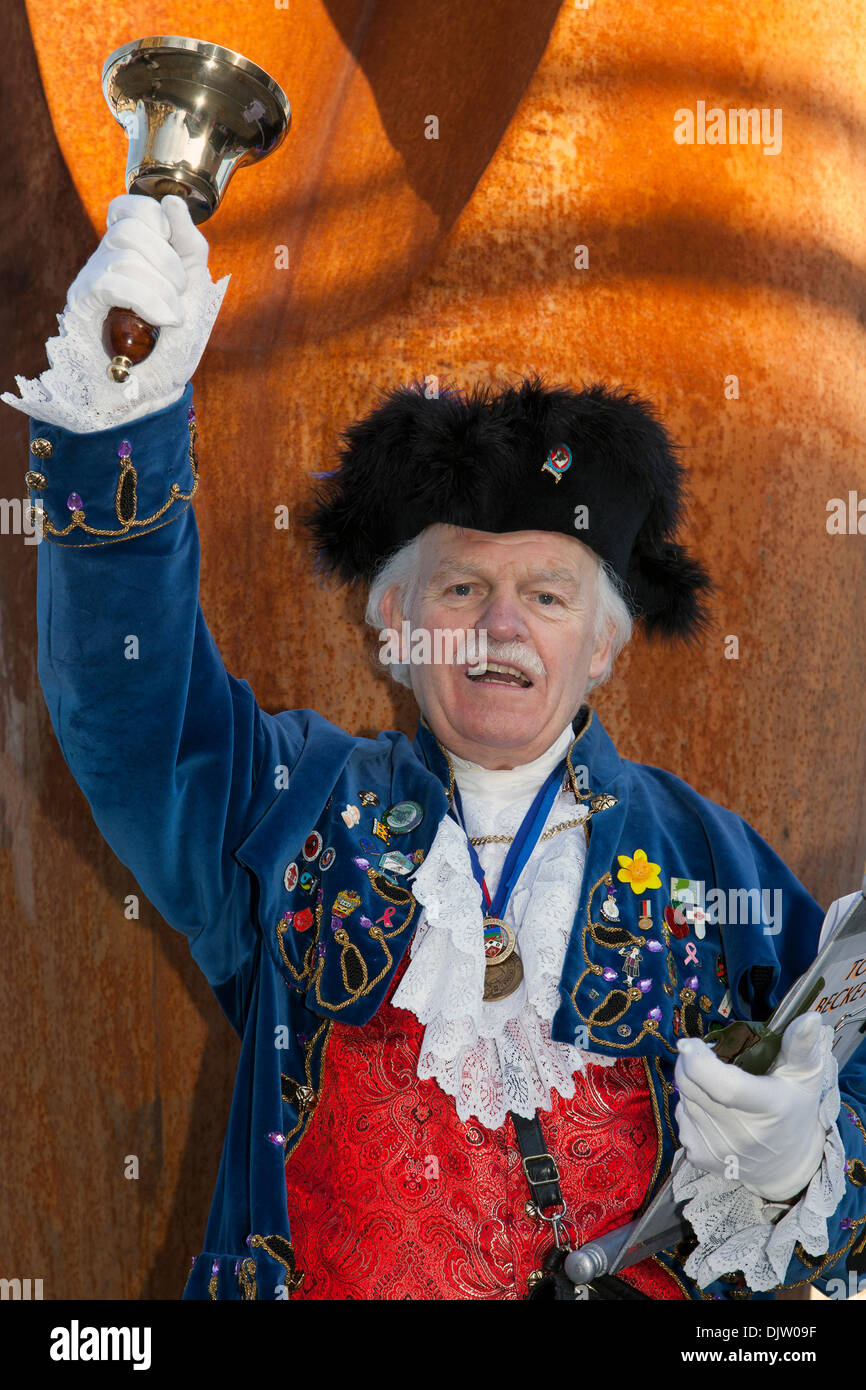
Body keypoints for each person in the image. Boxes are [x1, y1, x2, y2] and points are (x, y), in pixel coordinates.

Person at [4, 195, 865, 1302]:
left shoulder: (710, 862)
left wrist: (805, 1160)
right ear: (393, 630)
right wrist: (123, 405)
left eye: (546, 595)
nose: (501, 626)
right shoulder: (290, 812)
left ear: (603, 644)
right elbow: (129, 713)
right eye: (461, 588)